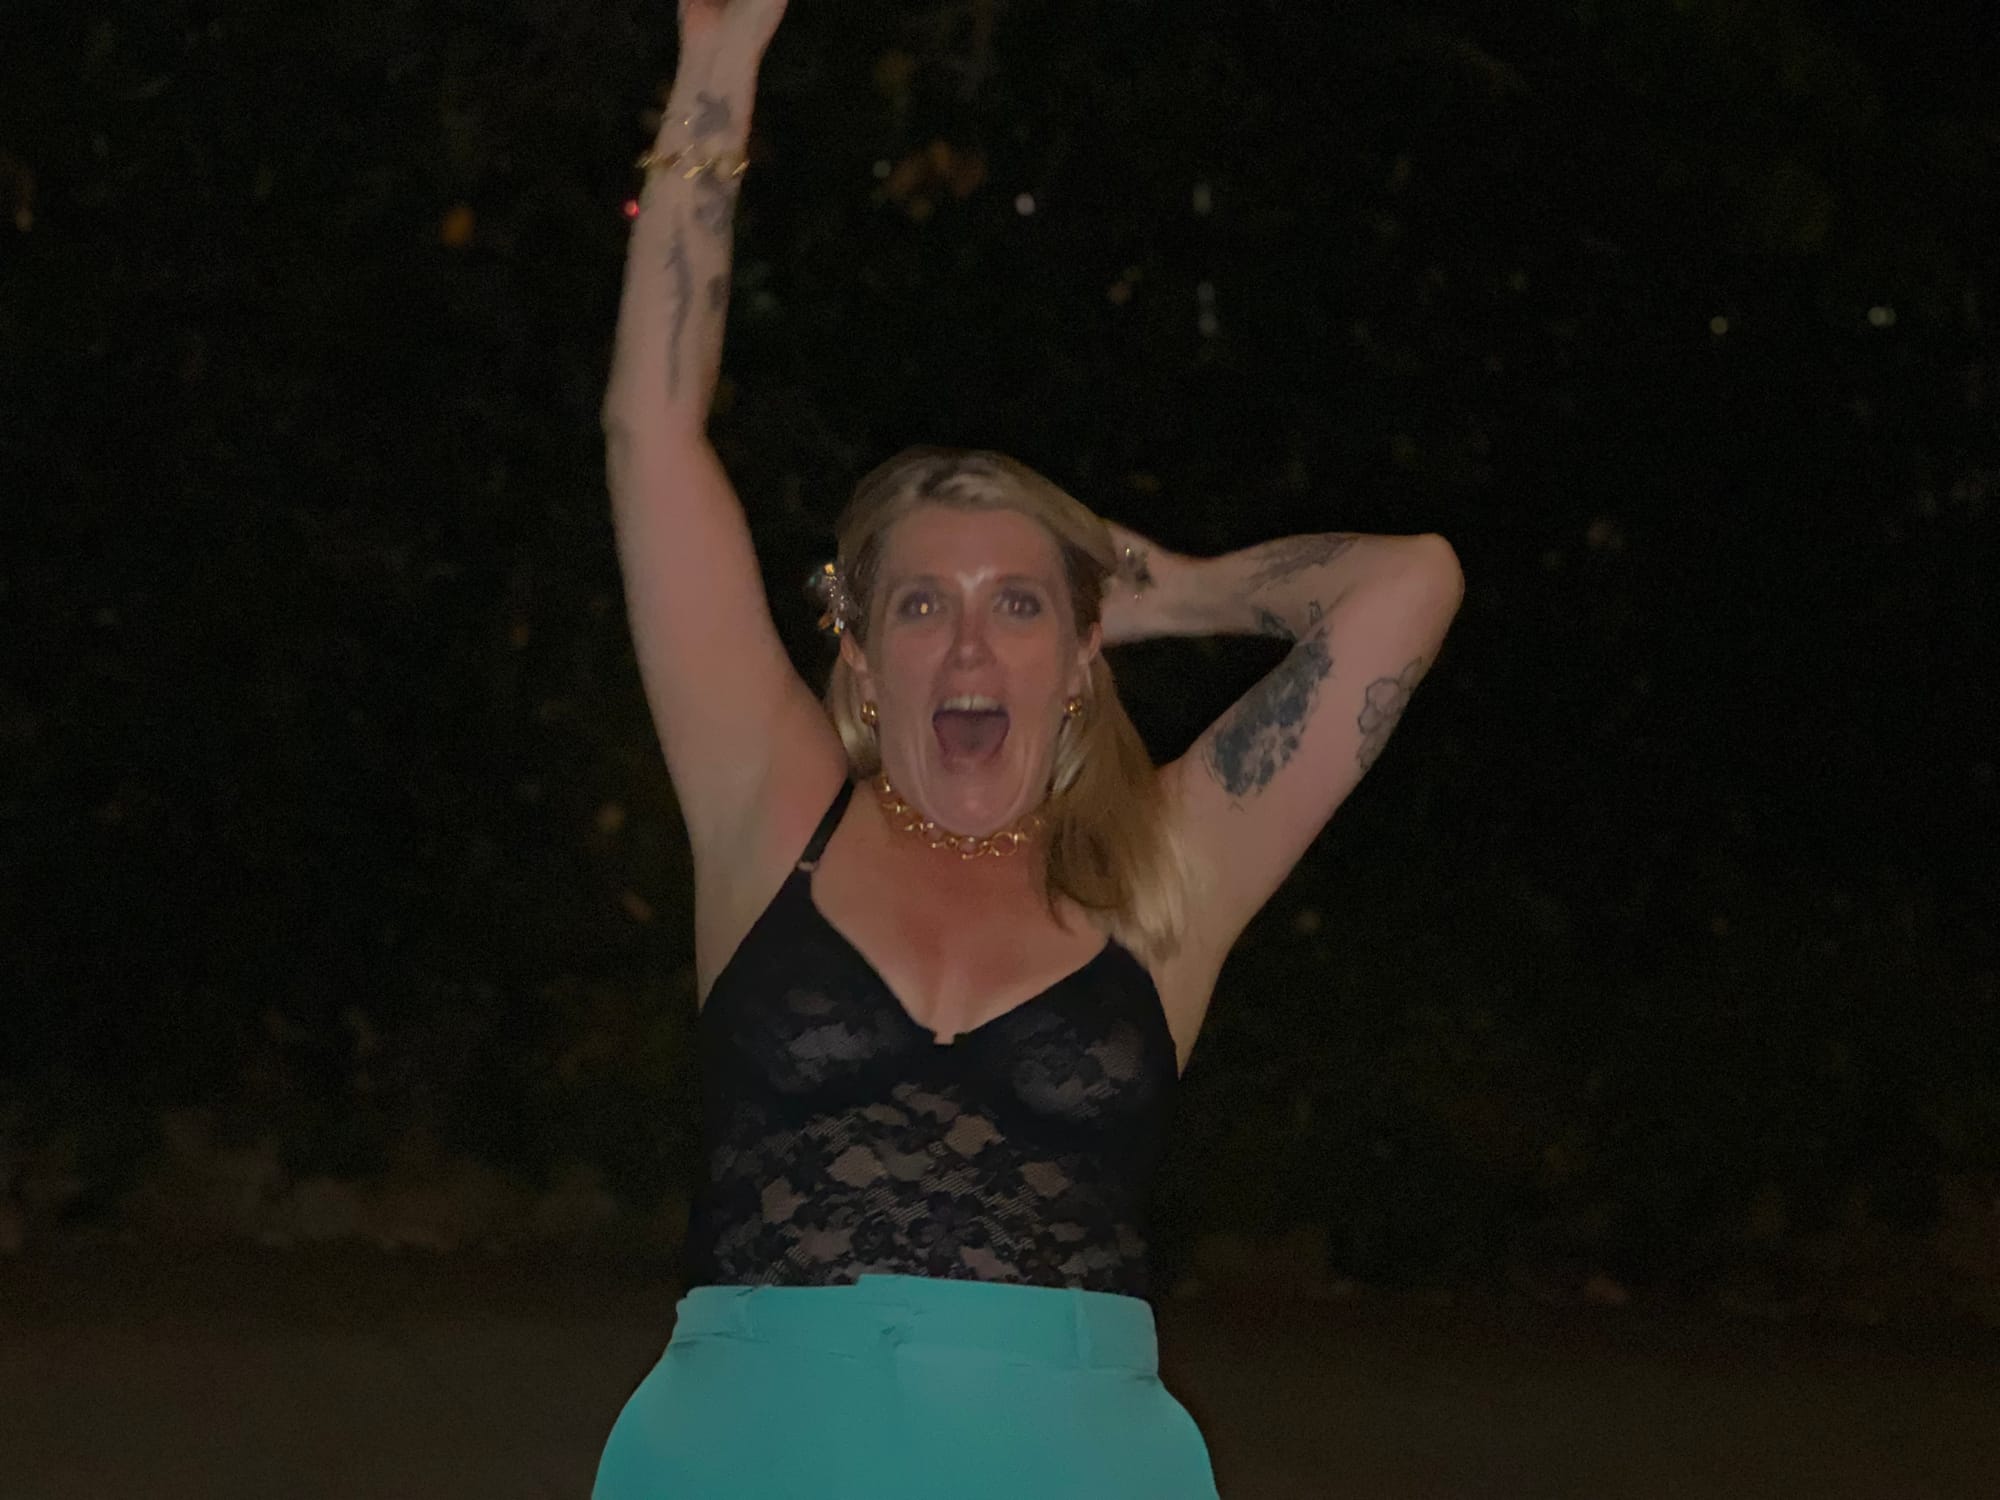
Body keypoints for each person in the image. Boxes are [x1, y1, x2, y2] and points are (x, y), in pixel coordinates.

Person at [592, 3, 1464, 1495]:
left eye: (1017, 605)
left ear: (1076, 664)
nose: (969, 646)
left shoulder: (1166, 874)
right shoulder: (769, 808)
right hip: (744, 1454)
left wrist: (1169, 590)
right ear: (862, 660)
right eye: (921, 604)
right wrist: (719, 64)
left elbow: (1413, 586)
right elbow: (650, 439)